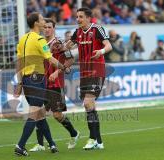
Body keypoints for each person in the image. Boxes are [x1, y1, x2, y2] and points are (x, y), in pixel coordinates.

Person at [14, 12, 69, 156]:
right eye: (41, 19)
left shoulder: (23, 39)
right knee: (34, 113)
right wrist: (63, 67)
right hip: (37, 79)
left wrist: (19, 82)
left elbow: (19, 63)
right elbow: (50, 58)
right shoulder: (39, 39)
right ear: (37, 23)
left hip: (26, 80)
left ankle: (51, 144)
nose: (44, 20)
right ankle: (20, 146)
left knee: (39, 114)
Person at [65, 7, 112, 150]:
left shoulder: (97, 29)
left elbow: (109, 46)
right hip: (84, 72)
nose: (77, 19)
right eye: (77, 16)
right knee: (89, 107)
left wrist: (101, 51)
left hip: (97, 70)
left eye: (80, 17)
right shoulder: (77, 32)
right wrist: (61, 49)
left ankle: (91, 139)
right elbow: (67, 47)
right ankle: (99, 141)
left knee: (87, 102)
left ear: (88, 18)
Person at [29, 18, 80, 152]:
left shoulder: (58, 43)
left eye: (49, 27)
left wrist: (57, 72)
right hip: (42, 82)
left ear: (54, 28)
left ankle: (74, 133)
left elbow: (70, 59)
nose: (46, 29)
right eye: (44, 27)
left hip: (55, 82)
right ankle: (40, 144)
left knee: (57, 115)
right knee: (39, 113)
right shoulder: (39, 42)